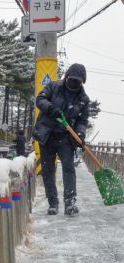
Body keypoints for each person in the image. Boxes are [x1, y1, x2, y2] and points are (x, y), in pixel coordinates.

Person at [32, 63, 89, 216]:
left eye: (78, 81)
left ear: (82, 82)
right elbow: (40, 100)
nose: (74, 83)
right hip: (47, 136)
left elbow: (82, 121)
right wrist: (51, 108)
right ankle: (53, 203)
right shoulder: (53, 86)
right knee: (48, 170)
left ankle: (70, 203)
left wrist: (81, 135)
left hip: (66, 139)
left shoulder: (83, 99)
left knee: (69, 169)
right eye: (71, 79)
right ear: (66, 77)